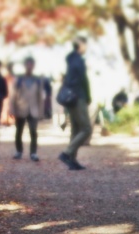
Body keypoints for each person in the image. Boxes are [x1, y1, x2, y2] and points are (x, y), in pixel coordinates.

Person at [58, 37, 92, 171]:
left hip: (69, 97)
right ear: (80, 45)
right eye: (85, 45)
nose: (86, 48)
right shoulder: (78, 60)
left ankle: (72, 160)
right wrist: (88, 96)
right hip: (78, 97)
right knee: (86, 128)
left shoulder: (70, 59)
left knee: (76, 129)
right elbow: (84, 80)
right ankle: (67, 153)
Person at [11, 57, 45, 161]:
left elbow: (40, 96)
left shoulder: (38, 80)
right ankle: (19, 151)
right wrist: (12, 109)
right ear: (24, 65)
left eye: (31, 65)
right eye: (27, 64)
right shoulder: (19, 79)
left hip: (33, 109)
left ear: (33, 66)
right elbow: (13, 95)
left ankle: (33, 153)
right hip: (21, 108)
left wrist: (41, 111)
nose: (29, 67)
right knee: (19, 131)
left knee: (33, 131)